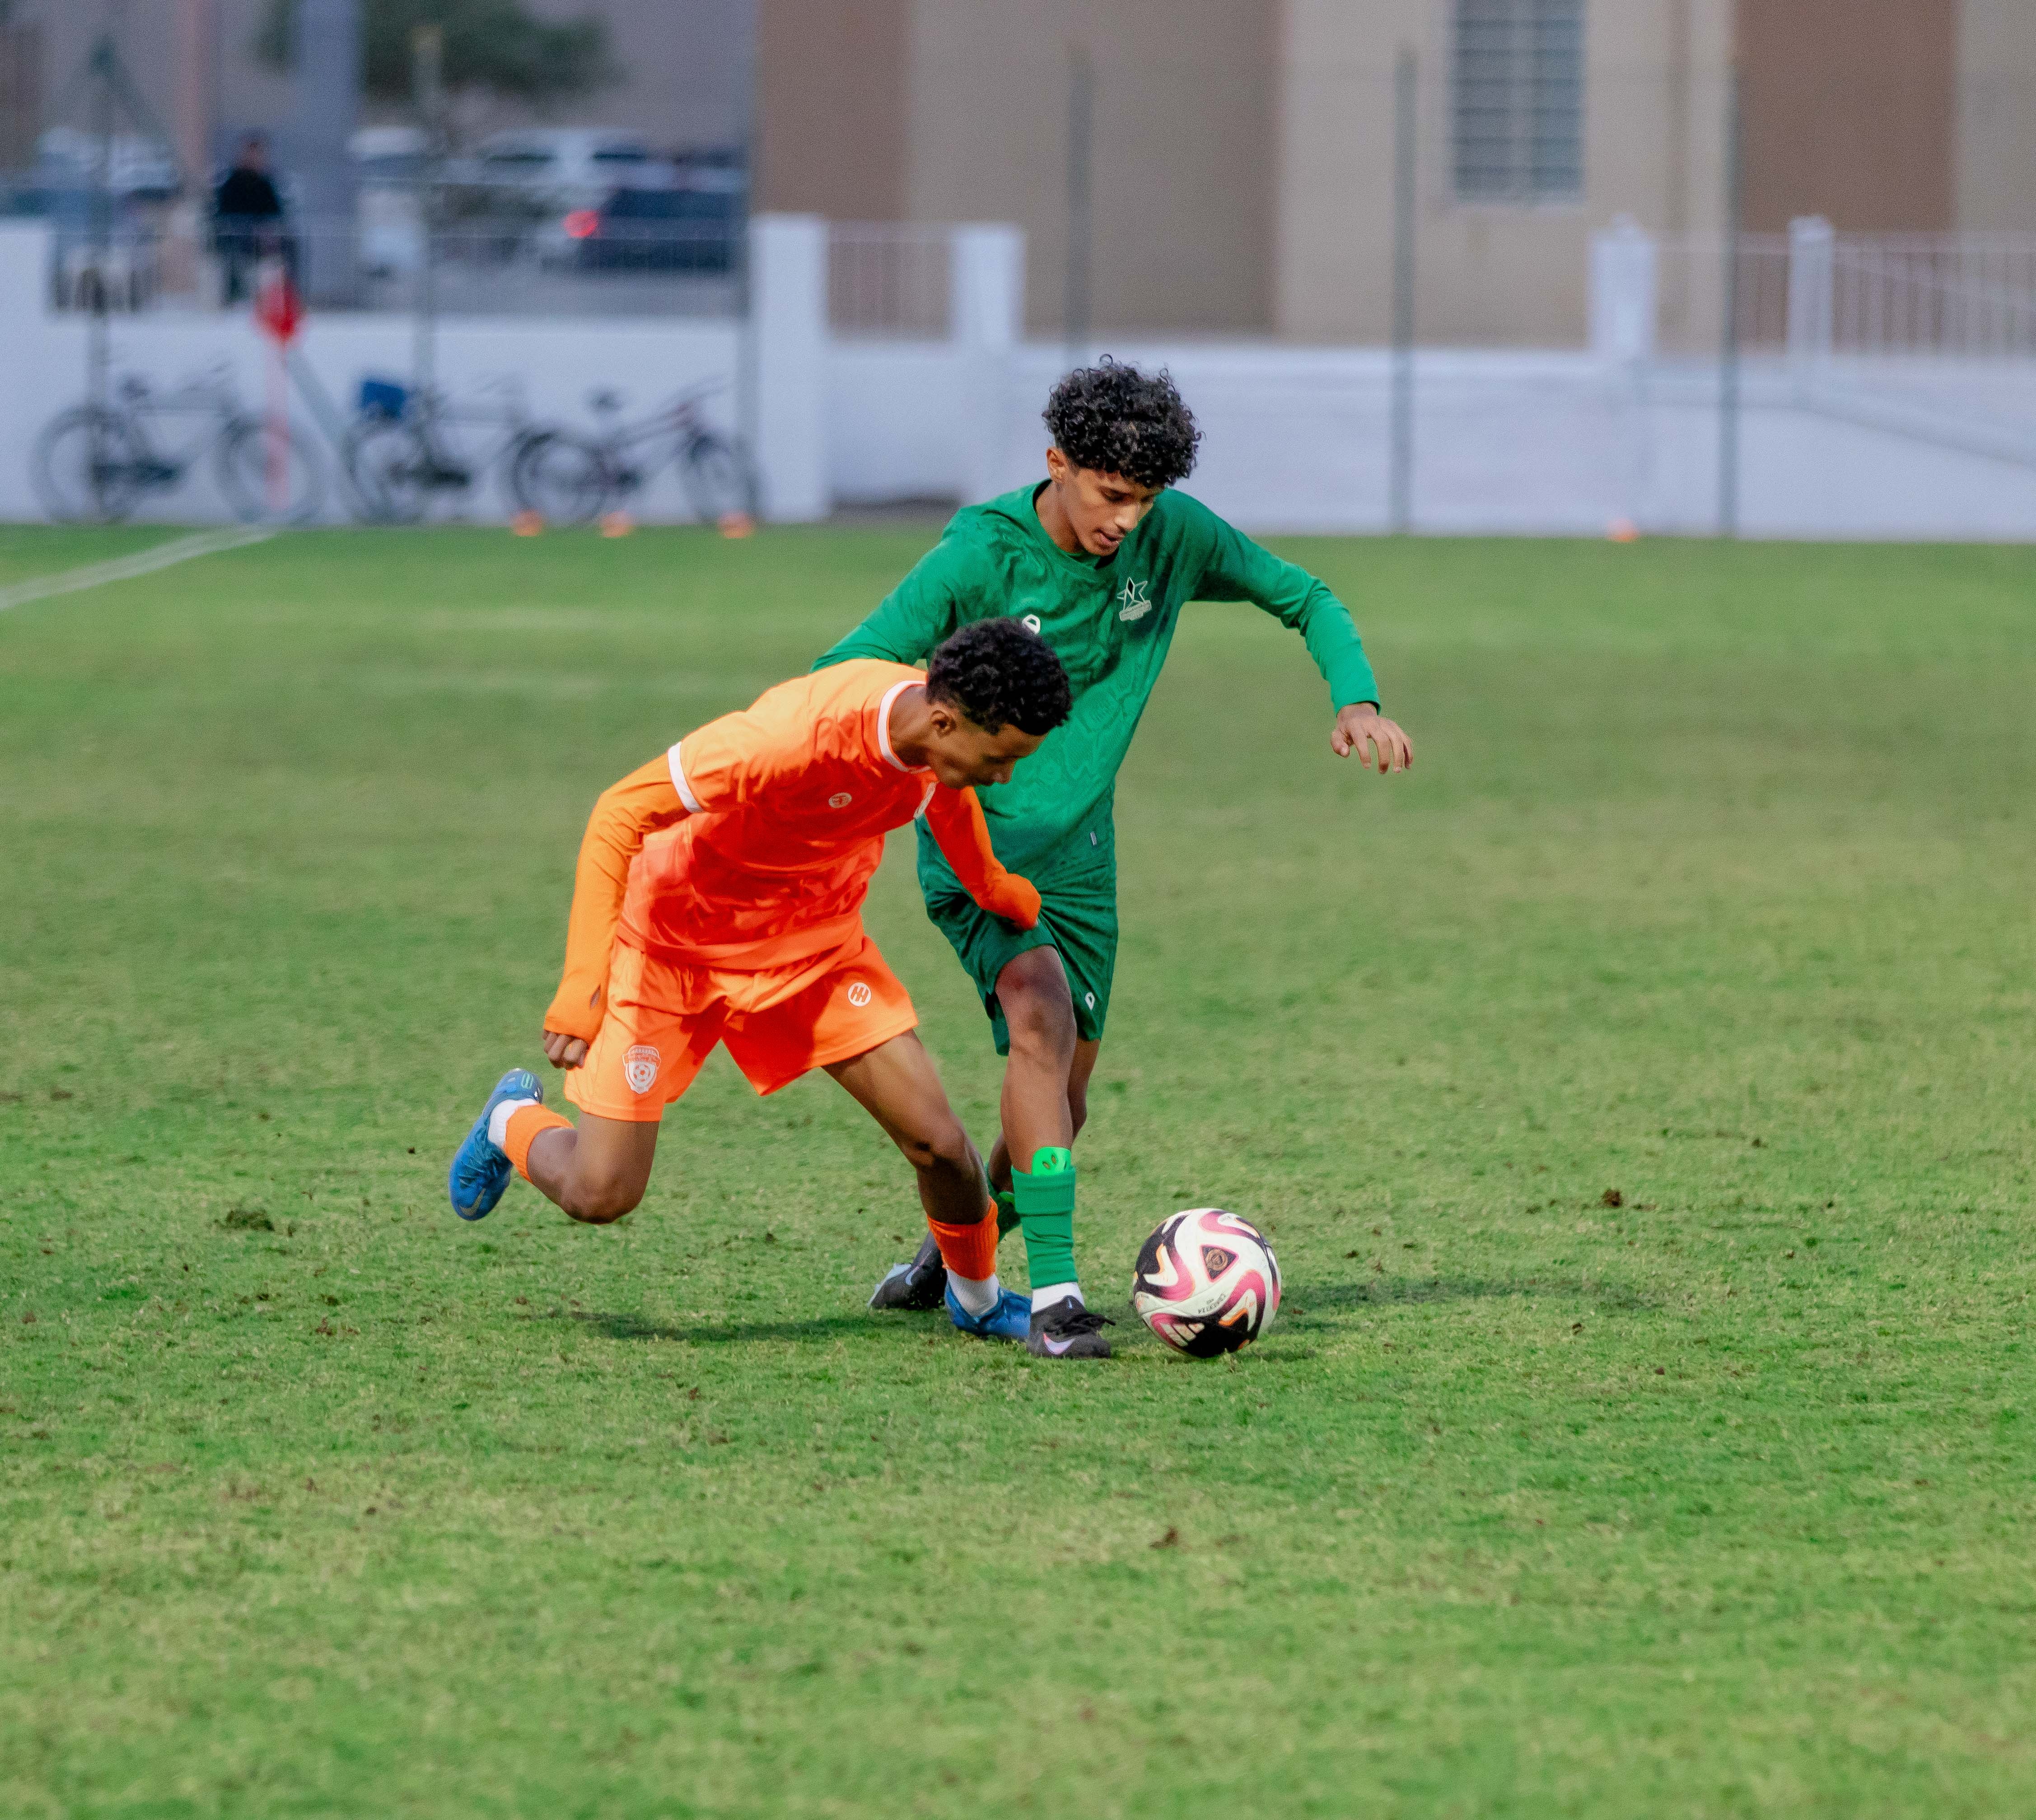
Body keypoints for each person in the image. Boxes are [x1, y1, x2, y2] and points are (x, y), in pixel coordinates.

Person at [822, 359, 1415, 1360]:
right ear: (1057, 462)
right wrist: (904, 764)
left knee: (1066, 1096)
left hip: (1084, 860)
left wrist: (1354, 697)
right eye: (1109, 494)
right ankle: (1052, 1297)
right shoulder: (980, 552)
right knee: (1038, 1025)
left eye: (1144, 499)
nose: (1126, 520)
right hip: (977, 845)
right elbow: (844, 672)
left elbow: (1303, 595)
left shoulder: (1171, 537)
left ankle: (947, 1253)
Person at [447, 620, 1074, 1343]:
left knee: (940, 1144)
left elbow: (943, 788)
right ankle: (510, 1123)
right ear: (945, 720)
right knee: (600, 1192)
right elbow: (620, 812)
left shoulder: (933, 740)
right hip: (674, 945)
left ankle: (977, 1296)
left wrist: (990, 884)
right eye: (1001, 758)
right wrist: (583, 980)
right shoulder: (789, 739)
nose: (1007, 776)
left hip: (813, 950)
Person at [212, 134, 291, 304]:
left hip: (261, 240)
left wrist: (267, 230)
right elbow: (222, 214)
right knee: (233, 250)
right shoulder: (231, 182)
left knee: (289, 244)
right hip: (236, 238)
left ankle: (283, 299)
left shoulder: (265, 183)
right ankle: (233, 296)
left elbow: (276, 213)